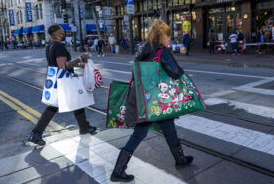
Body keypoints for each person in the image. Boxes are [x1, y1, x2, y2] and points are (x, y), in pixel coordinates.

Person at [110, 19, 194, 183]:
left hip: (142, 98)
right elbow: (175, 72)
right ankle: (118, 171)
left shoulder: (142, 48)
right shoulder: (162, 51)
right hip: (157, 100)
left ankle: (180, 159)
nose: (169, 39)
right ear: (162, 35)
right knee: (155, 131)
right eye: (168, 36)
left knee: (157, 130)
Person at [28, 24, 97, 146]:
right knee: (53, 107)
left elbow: (60, 64)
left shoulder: (50, 46)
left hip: (56, 79)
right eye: (62, 32)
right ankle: (36, 133)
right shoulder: (59, 46)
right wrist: (80, 59)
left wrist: (82, 65)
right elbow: (64, 65)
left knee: (76, 102)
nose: (64, 34)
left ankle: (84, 127)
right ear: (58, 34)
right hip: (64, 81)